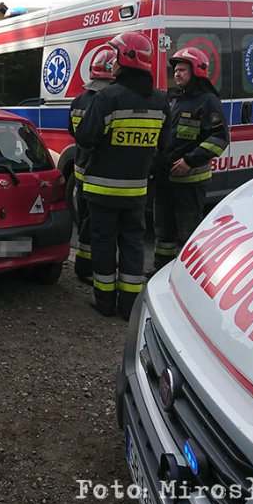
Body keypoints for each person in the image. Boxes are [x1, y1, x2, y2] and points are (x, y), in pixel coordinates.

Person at [74, 32, 168, 319]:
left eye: (115, 56)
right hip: (137, 192)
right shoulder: (161, 101)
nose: (111, 63)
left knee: (103, 244)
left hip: (102, 190)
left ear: (125, 59)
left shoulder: (108, 97)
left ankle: (105, 302)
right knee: (133, 245)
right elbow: (163, 149)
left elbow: (86, 139)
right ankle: (129, 307)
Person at [150, 46, 229, 274]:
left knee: (188, 231)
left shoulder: (207, 101)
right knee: (163, 229)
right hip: (166, 178)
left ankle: (187, 275)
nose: (177, 74)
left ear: (197, 71)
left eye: (183, 70)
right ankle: (160, 269)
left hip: (190, 181)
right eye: (176, 70)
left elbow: (220, 138)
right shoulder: (173, 99)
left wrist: (190, 161)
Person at [69, 47, 116, 285]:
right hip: (99, 173)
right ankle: (92, 267)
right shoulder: (109, 101)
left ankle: (82, 264)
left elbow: (74, 133)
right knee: (97, 226)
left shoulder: (79, 100)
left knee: (85, 219)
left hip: (80, 170)